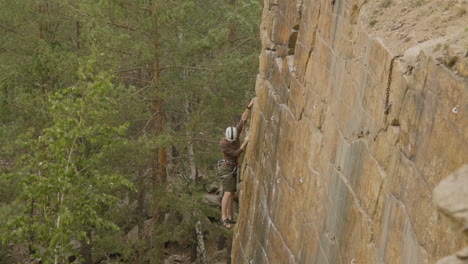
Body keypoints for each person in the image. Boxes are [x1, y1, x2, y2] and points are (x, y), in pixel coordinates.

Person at [218, 99, 255, 230]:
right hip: (226, 168)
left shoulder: (234, 133)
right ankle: (224, 218)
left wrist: (249, 107)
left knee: (232, 192)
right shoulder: (223, 143)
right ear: (227, 137)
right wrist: (245, 142)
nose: (232, 141)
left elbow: (243, 120)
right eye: (231, 140)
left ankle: (230, 216)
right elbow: (235, 154)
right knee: (227, 193)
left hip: (232, 167)